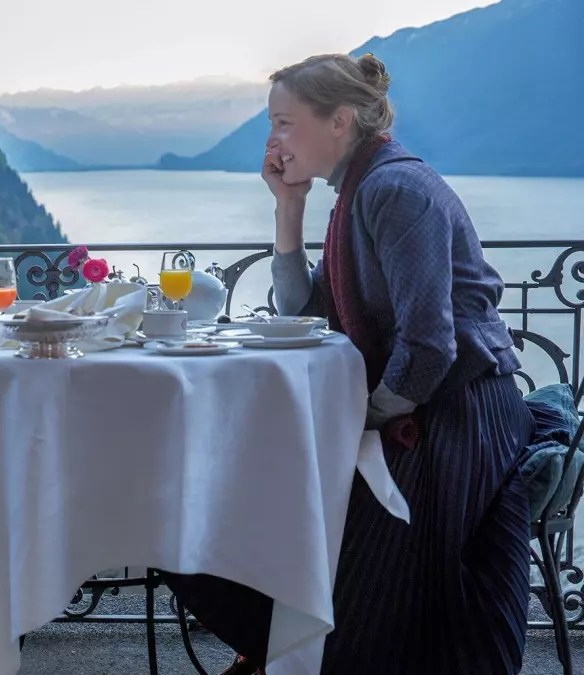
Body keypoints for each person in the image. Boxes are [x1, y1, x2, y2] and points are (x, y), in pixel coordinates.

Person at [161, 53, 535, 674]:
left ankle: (296, 651)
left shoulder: (394, 189)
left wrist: (360, 421)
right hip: (422, 402)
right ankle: (283, 648)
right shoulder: (360, 188)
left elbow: (430, 346)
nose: (273, 139)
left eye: (283, 121)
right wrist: (288, 207)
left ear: (338, 121)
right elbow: (306, 307)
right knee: (266, 501)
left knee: (318, 537)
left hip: (459, 415)